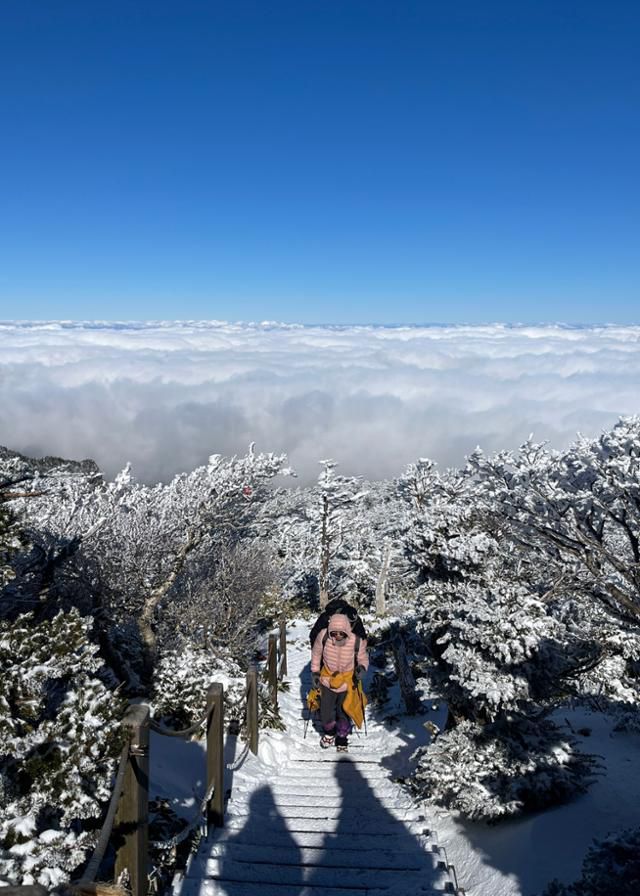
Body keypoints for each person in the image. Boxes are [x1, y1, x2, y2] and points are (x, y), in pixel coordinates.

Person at [310, 611, 368, 752]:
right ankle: (330, 733)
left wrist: (362, 668)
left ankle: (342, 738)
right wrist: (315, 673)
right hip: (327, 679)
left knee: (344, 711)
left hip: (348, 680)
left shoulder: (357, 641)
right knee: (325, 712)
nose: (337, 636)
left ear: (346, 630)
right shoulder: (323, 636)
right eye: (334, 633)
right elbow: (316, 654)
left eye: (341, 633)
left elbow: (363, 658)